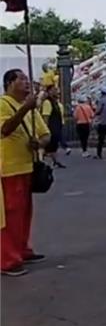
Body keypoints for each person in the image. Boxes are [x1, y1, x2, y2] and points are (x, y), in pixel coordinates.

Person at [1, 69, 51, 277]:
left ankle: (22, 249)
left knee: (23, 214)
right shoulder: (3, 104)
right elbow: (5, 129)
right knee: (9, 215)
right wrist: (25, 109)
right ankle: (8, 260)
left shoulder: (31, 108)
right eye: (22, 79)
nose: (27, 83)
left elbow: (45, 134)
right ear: (10, 83)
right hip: (8, 167)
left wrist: (38, 143)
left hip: (27, 166)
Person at [39, 87, 67, 169]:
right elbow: (46, 117)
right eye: (54, 90)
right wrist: (45, 130)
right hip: (51, 129)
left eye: (57, 90)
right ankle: (40, 162)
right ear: (49, 92)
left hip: (56, 128)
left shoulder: (56, 103)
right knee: (46, 147)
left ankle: (55, 161)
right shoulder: (47, 103)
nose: (56, 91)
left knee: (53, 147)